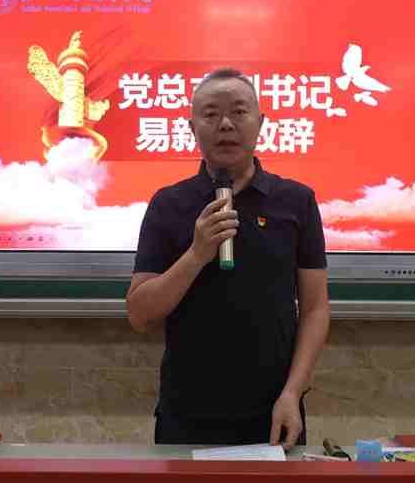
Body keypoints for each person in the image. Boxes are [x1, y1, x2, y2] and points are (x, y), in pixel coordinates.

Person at [126, 67, 330, 450]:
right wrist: (197, 253)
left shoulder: (296, 201)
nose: (225, 125)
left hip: (275, 413)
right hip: (187, 415)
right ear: (192, 128)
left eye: (238, 112)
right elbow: (140, 315)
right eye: (211, 114)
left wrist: (293, 392)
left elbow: (315, 309)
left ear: (260, 123)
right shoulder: (168, 204)